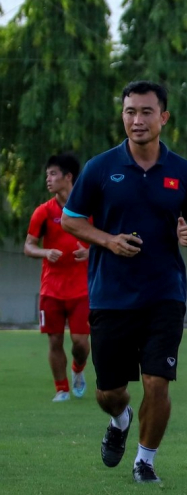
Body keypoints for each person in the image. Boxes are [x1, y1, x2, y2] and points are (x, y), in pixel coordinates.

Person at [61, 80, 187, 483]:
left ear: (163, 117)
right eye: (130, 111)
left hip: (165, 293)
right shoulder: (100, 168)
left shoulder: (182, 171)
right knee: (109, 392)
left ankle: (144, 460)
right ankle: (120, 420)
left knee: (157, 382)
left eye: (146, 111)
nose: (137, 119)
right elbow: (70, 219)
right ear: (122, 116)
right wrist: (107, 240)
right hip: (110, 295)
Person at [24, 153, 91, 402]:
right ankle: (61, 389)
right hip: (51, 289)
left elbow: (107, 240)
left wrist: (90, 251)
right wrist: (44, 251)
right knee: (54, 341)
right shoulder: (43, 212)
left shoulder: (88, 209)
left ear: (68, 177)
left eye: (53, 174)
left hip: (82, 289)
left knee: (81, 344)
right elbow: (28, 246)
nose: (48, 180)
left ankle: (78, 369)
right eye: (47, 175)